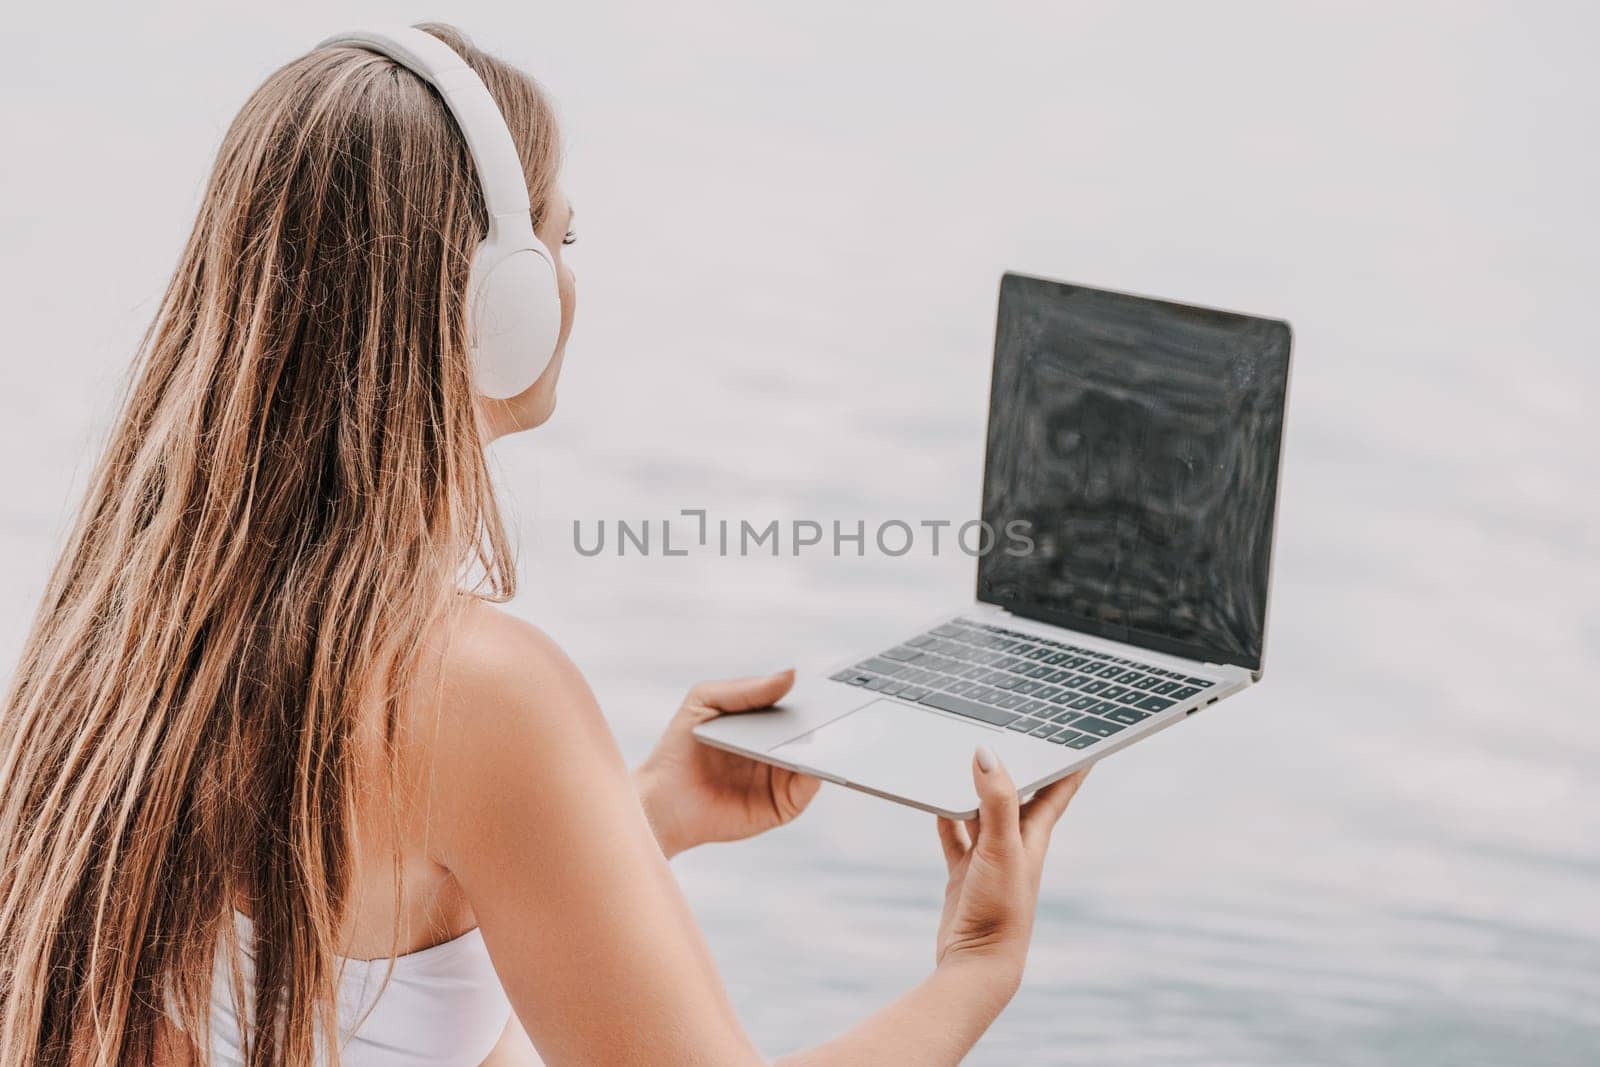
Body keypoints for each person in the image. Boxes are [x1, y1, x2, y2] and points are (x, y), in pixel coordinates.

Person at [0, 23, 1088, 1066]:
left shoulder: (121, 629)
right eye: (557, 239)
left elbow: (373, 973)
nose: (568, 277)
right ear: (492, 302)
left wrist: (632, 815)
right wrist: (976, 966)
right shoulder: (469, 690)